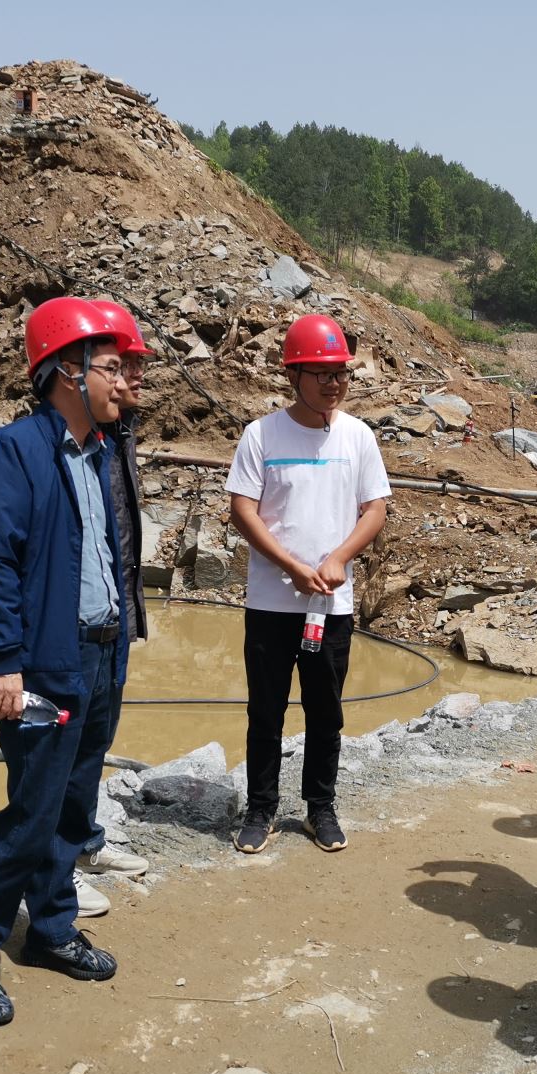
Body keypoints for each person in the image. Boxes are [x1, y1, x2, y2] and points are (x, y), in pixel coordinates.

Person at [0, 297, 135, 1026]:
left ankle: (49, 929)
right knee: (31, 815)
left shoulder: (103, 452)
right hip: (44, 664)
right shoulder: (9, 453)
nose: (126, 382)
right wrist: (4, 665)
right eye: (112, 368)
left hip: (101, 656)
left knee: (74, 810)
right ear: (67, 373)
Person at [225, 314, 390, 854]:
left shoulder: (358, 436)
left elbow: (374, 508)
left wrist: (340, 557)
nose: (334, 383)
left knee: (326, 713)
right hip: (271, 604)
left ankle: (321, 808)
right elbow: (242, 510)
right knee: (265, 712)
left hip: (331, 606)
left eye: (340, 372)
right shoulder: (261, 435)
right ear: (292, 375)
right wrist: (291, 565)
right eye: (321, 373)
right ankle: (260, 810)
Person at [67, 299, 156, 890]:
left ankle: (80, 845)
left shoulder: (117, 433)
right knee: (61, 750)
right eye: (123, 365)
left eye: (137, 366)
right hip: (73, 626)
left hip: (113, 616)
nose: (135, 377)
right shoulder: (70, 440)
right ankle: (50, 871)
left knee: (96, 740)